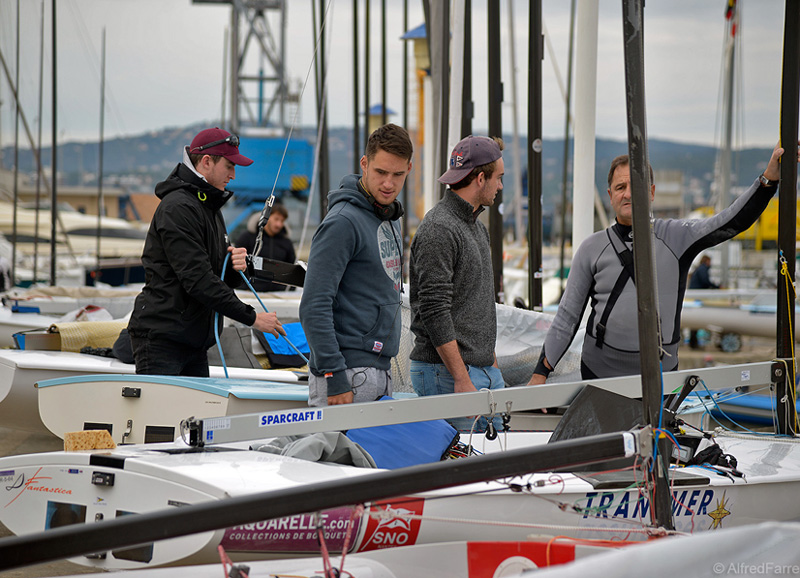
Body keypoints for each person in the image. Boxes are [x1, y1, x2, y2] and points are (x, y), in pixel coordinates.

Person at [528, 143, 795, 384]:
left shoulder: (677, 237)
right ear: (610, 195)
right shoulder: (591, 248)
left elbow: (730, 221)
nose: (628, 194)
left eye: (637, 186)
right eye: (621, 188)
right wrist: (541, 372)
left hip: (660, 377)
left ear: (652, 192)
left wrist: (768, 180)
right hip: (600, 374)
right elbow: (567, 317)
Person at [128, 127, 284, 377]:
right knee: (163, 418)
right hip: (162, 341)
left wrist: (234, 267)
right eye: (229, 166)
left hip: (194, 342)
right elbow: (198, 280)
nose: (233, 175)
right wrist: (253, 318)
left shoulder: (209, 208)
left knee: (195, 417)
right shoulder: (178, 207)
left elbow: (216, 275)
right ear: (207, 162)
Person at [299, 123, 412, 406]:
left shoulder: (389, 218)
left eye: (397, 174)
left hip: (378, 369)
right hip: (344, 375)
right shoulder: (342, 223)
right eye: (380, 172)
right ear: (364, 164)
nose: (389, 183)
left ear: (409, 169)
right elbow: (313, 305)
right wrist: (334, 375)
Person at [409, 135, 506, 433]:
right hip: (449, 375)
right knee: (462, 474)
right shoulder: (440, 228)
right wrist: (462, 378)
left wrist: (492, 365)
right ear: (480, 178)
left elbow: (475, 301)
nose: (501, 186)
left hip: (480, 372)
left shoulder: (474, 226)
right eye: (499, 178)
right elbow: (434, 311)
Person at [236, 204, 297, 292]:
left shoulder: (287, 243)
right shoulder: (247, 238)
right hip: (250, 293)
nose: (279, 224)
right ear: (267, 217)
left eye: (282, 221)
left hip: (279, 294)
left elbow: (293, 269)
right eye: (276, 219)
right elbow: (236, 264)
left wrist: (289, 289)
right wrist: (244, 287)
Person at [688, 255, 719, 349]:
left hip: (694, 295)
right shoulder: (703, 269)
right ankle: (693, 343)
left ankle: (693, 342)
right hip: (698, 296)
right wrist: (716, 287)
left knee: (694, 319)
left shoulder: (699, 269)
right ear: (706, 261)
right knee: (696, 318)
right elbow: (705, 281)